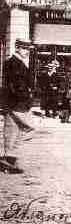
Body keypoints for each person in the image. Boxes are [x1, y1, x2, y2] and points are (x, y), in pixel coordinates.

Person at [1, 38, 37, 173]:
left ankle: (8, 163)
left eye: (28, 49)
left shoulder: (12, 62)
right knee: (31, 129)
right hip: (18, 102)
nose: (26, 51)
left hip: (11, 102)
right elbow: (17, 85)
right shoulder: (14, 63)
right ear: (17, 48)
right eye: (24, 48)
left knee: (11, 131)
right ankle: (10, 157)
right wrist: (26, 96)